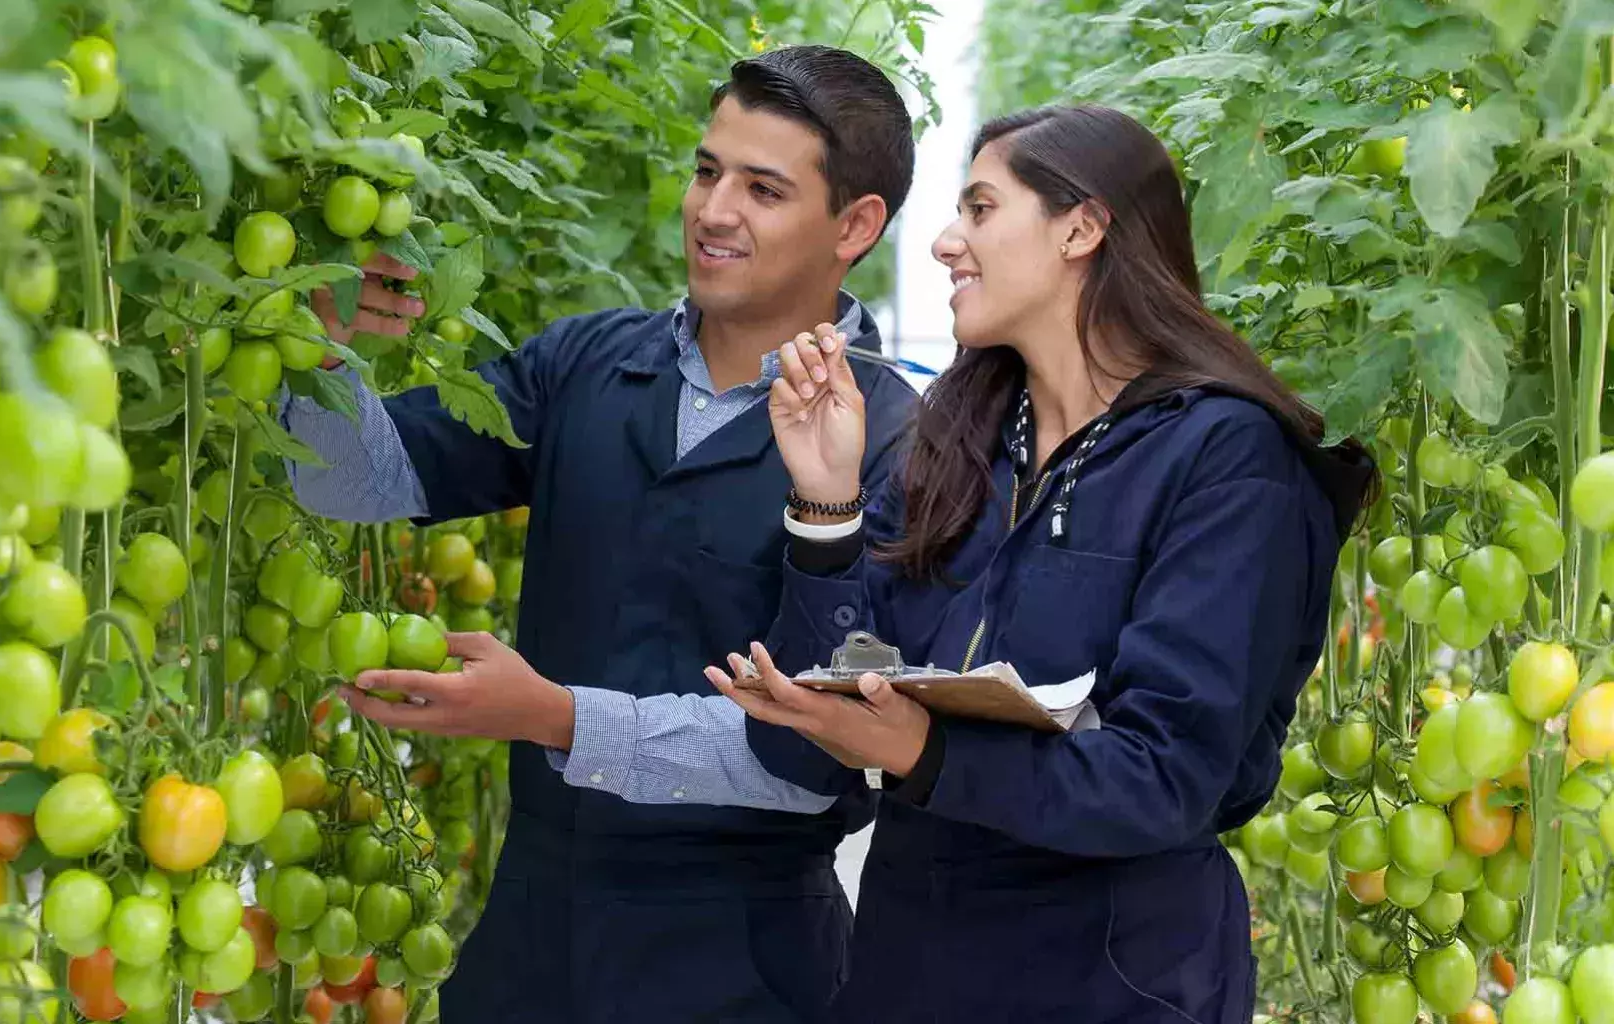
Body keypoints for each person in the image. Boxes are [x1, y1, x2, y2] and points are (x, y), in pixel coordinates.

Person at [351, 104, 1374, 1021]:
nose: (943, 242)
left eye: (978, 210)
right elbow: (804, 722)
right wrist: (827, 505)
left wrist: (922, 748)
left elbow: (1165, 777)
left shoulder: (1225, 460)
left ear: (1082, 227)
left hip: (1108, 976)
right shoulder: (961, 445)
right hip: (911, 962)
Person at [284, 46, 918, 1023]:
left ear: (856, 224)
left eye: (763, 188)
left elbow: (818, 750)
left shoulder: (893, 441)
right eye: (708, 171)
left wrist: (556, 718)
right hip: (533, 932)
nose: (713, 210)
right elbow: (361, 481)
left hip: (741, 955)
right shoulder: (584, 362)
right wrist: (321, 348)